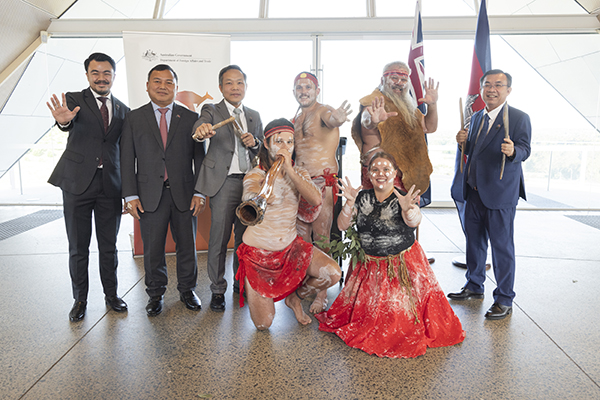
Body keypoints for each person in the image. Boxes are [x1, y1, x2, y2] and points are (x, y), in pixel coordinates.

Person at [316, 151, 465, 358]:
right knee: (365, 317)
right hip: (369, 267)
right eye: (375, 169)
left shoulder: (401, 197)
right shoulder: (362, 197)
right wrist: (349, 203)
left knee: (396, 319)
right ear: (368, 174)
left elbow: (414, 221)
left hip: (401, 265)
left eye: (386, 169)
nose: (381, 173)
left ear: (395, 173)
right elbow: (342, 225)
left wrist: (408, 210)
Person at [235, 118, 342, 330]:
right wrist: (267, 185)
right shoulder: (255, 174)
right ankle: (252, 284)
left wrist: (290, 172)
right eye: (279, 141)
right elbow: (249, 197)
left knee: (332, 273)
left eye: (290, 142)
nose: (285, 147)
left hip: (291, 248)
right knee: (263, 324)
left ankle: (295, 298)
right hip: (259, 255)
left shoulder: (299, 173)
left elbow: (315, 199)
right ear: (266, 143)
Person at [47, 52, 130, 322]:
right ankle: (80, 299)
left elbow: (124, 150)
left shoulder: (122, 109)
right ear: (87, 76)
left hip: (110, 186)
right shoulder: (74, 99)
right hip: (76, 184)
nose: (101, 78)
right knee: (78, 246)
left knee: (109, 246)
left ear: (114, 76)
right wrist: (63, 121)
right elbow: (66, 122)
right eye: (96, 73)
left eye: (107, 73)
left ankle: (112, 295)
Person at [120, 64, 205, 316]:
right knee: (153, 247)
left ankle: (187, 290)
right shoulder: (133, 118)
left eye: (169, 82)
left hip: (185, 194)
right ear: (147, 86)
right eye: (157, 81)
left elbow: (200, 159)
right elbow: (126, 159)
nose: (163, 86)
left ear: (176, 88)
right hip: (148, 195)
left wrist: (200, 192)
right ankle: (155, 293)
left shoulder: (190, 118)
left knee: (187, 246)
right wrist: (130, 195)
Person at [447, 69, 531, 320]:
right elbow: (474, 150)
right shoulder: (475, 118)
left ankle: (504, 298)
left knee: (502, 248)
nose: (491, 89)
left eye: (498, 85)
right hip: (473, 192)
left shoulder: (518, 117)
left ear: (508, 90)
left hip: (500, 193)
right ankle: (474, 286)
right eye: (487, 85)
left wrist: (514, 151)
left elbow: (525, 149)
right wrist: (462, 141)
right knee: (474, 243)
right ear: (482, 88)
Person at [192, 65, 263, 312]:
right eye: (229, 83)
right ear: (221, 87)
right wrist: (201, 131)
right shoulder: (212, 110)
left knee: (245, 240)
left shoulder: (253, 115)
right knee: (219, 239)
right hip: (223, 183)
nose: (235, 87)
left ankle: (238, 283)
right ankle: (217, 289)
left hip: (249, 184)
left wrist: (255, 143)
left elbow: (261, 149)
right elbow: (201, 127)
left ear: (245, 86)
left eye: (240, 83)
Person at [291, 71, 351, 313]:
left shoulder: (323, 110)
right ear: (294, 91)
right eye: (299, 87)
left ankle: (322, 292)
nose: (303, 91)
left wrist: (337, 118)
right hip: (300, 185)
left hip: (322, 183)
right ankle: (308, 280)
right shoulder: (295, 117)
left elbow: (332, 119)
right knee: (302, 238)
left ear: (317, 91)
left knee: (322, 237)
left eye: (308, 87)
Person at [350, 61, 438, 194]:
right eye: (394, 78)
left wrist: (433, 105)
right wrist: (373, 120)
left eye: (403, 79)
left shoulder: (409, 107)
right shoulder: (374, 101)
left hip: (408, 174)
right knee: (378, 214)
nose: (399, 83)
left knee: (408, 215)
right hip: (381, 175)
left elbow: (429, 128)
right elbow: (366, 120)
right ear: (383, 80)